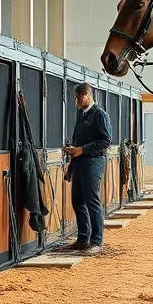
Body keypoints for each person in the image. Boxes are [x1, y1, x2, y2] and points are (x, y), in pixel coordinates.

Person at [64, 83, 112, 253]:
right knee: (77, 201)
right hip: (79, 162)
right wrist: (72, 148)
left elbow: (106, 141)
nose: (77, 101)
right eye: (75, 98)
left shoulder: (99, 114)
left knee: (92, 201)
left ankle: (96, 241)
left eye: (80, 97)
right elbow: (79, 138)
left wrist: (82, 149)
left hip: (93, 162)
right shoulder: (81, 114)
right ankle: (83, 238)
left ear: (89, 96)